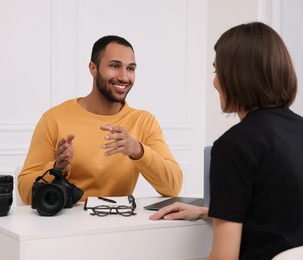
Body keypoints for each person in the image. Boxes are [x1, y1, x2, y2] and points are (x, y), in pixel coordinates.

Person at [150, 22, 303, 259]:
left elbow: (224, 257)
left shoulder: (233, 147)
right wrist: (208, 211)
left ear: (237, 76)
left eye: (216, 71)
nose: (214, 82)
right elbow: (277, 215)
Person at [18, 35, 183, 204]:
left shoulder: (144, 122)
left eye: (130, 68)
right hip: (65, 227)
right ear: (93, 68)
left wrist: (138, 150)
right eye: (114, 66)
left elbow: (173, 186)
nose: (124, 77)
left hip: (117, 225)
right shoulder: (54, 118)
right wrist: (56, 169)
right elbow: (25, 191)